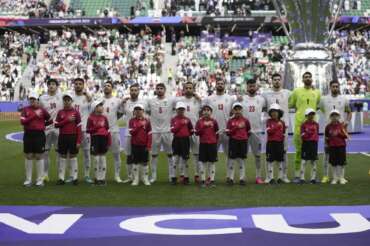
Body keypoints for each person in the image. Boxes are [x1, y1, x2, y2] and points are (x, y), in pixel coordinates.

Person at [289, 72, 321, 183]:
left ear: (312, 79)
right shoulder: (296, 91)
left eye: (309, 77)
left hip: (312, 129)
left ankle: (313, 176)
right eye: (305, 77)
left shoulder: (317, 92)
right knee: (298, 151)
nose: (308, 78)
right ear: (302, 79)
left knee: (313, 153)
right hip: (299, 127)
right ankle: (298, 175)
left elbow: (317, 106)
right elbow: (290, 104)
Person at [203, 78, 236, 183]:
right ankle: (209, 177)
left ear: (225, 85)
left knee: (230, 155)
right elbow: (203, 113)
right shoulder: (209, 99)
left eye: (222, 83)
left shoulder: (230, 98)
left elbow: (233, 113)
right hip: (213, 133)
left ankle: (230, 177)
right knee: (211, 156)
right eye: (218, 84)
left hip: (227, 131)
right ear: (215, 85)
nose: (220, 85)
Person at [319, 80, 352, 183]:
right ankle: (326, 175)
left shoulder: (344, 99)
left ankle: (341, 177)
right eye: (333, 86)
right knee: (327, 154)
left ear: (339, 87)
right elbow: (322, 110)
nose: (335, 88)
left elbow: (349, 112)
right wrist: (330, 121)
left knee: (341, 154)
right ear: (330, 87)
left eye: (337, 86)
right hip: (328, 130)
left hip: (340, 131)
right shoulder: (324, 99)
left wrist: (346, 122)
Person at [262, 73, 291, 183]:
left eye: (279, 79)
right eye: (275, 80)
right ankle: (269, 177)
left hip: (284, 127)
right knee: (269, 152)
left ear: (281, 81)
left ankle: (283, 176)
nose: (277, 81)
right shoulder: (266, 94)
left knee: (284, 152)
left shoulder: (288, 93)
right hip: (270, 128)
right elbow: (262, 107)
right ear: (272, 81)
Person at [147, 83, 177, 183]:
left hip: (167, 131)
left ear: (165, 90)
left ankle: (172, 175)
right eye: (158, 88)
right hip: (155, 132)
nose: (159, 90)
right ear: (155, 90)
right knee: (154, 155)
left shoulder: (171, 100)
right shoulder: (151, 101)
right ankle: (153, 176)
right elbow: (145, 111)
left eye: (161, 88)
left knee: (170, 154)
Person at [20, 91, 51, 187]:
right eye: (31, 99)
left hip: (39, 135)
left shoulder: (42, 110)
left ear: (38, 100)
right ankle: (28, 180)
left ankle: (40, 180)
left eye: (34, 99)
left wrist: (42, 125)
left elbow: (50, 120)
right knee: (29, 155)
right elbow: (22, 122)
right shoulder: (25, 110)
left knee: (39, 156)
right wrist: (34, 115)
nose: (32, 101)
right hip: (28, 134)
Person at [241, 78, 266, 184]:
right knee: (242, 155)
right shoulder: (241, 99)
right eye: (249, 86)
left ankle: (258, 176)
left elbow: (266, 112)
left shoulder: (261, 100)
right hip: (243, 132)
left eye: (253, 85)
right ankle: (242, 177)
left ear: (256, 87)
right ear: (247, 87)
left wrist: (263, 121)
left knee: (258, 155)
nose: (251, 87)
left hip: (257, 131)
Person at [122, 83, 148, 184]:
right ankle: (130, 177)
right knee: (129, 155)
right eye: (132, 90)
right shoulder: (125, 102)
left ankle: (142, 177)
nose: (133, 92)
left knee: (142, 156)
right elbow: (119, 113)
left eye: (135, 90)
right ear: (129, 91)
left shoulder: (144, 102)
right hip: (128, 133)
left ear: (139, 91)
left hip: (141, 134)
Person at [176, 82, 202, 183]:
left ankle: (197, 175)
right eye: (186, 88)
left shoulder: (198, 101)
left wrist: (199, 98)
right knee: (184, 155)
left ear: (193, 89)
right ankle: (183, 175)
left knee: (196, 154)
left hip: (195, 131)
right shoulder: (179, 101)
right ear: (183, 89)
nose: (188, 89)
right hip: (183, 132)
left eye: (190, 88)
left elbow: (204, 110)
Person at [55, 92, 82, 185]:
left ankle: (75, 178)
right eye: (65, 100)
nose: (66, 102)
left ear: (71, 101)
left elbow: (79, 127)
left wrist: (78, 141)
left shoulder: (76, 112)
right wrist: (67, 120)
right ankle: (61, 178)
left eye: (68, 100)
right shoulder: (60, 112)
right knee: (62, 157)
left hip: (73, 136)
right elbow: (56, 125)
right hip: (62, 136)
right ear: (63, 101)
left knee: (73, 157)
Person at [39, 78, 63, 182]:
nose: (52, 86)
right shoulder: (42, 98)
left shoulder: (62, 96)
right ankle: (45, 174)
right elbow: (39, 113)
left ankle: (60, 175)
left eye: (54, 84)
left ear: (57, 86)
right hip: (46, 128)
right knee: (45, 152)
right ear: (47, 86)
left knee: (59, 153)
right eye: (50, 84)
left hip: (58, 128)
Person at [101, 81, 125, 183]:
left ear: (112, 88)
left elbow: (120, 113)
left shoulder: (117, 101)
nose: (107, 87)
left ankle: (117, 176)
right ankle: (101, 176)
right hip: (101, 131)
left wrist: (113, 121)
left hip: (114, 131)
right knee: (101, 154)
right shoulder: (99, 101)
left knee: (116, 154)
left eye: (109, 86)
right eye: (105, 86)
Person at [72, 78, 93, 183]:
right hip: (73, 130)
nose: (78, 85)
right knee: (72, 153)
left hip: (85, 129)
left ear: (83, 86)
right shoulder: (70, 98)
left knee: (86, 153)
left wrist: (87, 94)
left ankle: (87, 175)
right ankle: (73, 175)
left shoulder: (88, 98)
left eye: (80, 84)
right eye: (76, 84)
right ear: (74, 85)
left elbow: (93, 104)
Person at [87, 99, 111, 186]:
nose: (101, 107)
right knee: (96, 159)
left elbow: (108, 130)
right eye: (99, 106)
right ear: (95, 108)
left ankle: (102, 178)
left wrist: (109, 142)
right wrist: (96, 127)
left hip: (103, 139)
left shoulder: (105, 118)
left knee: (102, 158)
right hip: (95, 138)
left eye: (101, 106)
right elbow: (88, 130)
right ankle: (96, 178)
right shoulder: (90, 118)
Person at [226, 102, 251, 185]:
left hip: (243, 142)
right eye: (235, 109)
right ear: (233, 111)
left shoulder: (246, 120)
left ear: (242, 110)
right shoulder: (230, 121)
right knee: (232, 160)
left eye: (239, 109)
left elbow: (248, 131)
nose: (237, 111)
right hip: (233, 142)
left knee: (241, 160)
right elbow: (228, 133)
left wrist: (244, 137)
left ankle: (242, 179)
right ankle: (231, 178)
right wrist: (236, 128)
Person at [195, 104, 219, 187]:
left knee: (212, 162)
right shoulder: (199, 121)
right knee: (202, 162)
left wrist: (214, 141)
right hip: (203, 144)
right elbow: (197, 133)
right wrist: (204, 127)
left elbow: (216, 132)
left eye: (208, 110)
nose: (206, 112)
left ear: (211, 112)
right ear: (202, 112)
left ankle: (212, 180)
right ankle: (203, 180)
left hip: (212, 144)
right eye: (204, 110)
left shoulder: (214, 121)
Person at [170, 101, 194, 185]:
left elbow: (191, 130)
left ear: (184, 110)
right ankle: (173, 177)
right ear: (176, 110)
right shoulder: (173, 119)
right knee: (175, 159)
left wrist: (188, 133)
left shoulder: (187, 120)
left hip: (185, 140)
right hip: (176, 140)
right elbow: (173, 130)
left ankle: (185, 177)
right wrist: (180, 124)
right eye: (179, 109)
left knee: (185, 159)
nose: (180, 111)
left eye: (182, 109)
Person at [129, 104, 152, 186]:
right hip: (135, 144)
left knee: (145, 162)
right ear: (134, 111)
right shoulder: (132, 121)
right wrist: (139, 126)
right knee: (135, 162)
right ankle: (136, 179)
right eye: (136, 109)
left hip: (144, 145)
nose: (138, 111)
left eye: (140, 109)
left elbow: (149, 134)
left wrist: (148, 145)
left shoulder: (147, 121)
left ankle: (145, 179)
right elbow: (131, 132)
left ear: (143, 111)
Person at [325, 110, 349, 185]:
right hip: (332, 147)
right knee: (333, 163)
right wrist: (328, 145)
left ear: (339, 117)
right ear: (330, 117)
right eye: (332, 116)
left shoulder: (342, 126)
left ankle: (341, 178)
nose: (334, 117)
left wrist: (340, 133)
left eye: (336, 115)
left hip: (341, 146)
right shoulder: (328, 127)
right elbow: (326, 137)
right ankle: (335, 178)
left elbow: (346, 136)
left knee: (341, 163)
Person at [265, 104, 286, 184]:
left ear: (279, 112)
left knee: (280, 161)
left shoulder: (282, 123)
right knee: (270, 161)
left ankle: (280, 178)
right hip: (271, 143)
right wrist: (277, 126)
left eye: (276, 111)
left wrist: (282, 143)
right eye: (272, 112)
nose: (274, 113)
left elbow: (283, 134)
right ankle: (271, 178)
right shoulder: (268, 122)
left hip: (279, 144)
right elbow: (269, 131)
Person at [300, 108, 320, 184]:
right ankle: (302, 178)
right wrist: (308, 133)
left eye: (312, 114)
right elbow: (302, 135)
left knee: (313, 161)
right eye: (309, 114)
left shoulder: (316, 124)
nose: (311, 116)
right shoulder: (303, 125)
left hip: (314, 144)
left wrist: (310, 134)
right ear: (306, 115)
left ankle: (313, 178)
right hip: (306, 144)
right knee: (304, 161)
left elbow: (317, 134)